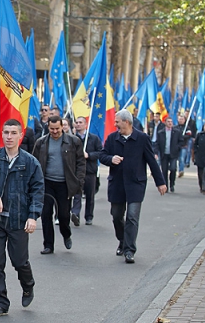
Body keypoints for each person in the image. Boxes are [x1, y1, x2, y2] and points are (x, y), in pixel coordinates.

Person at [0, 119, 44, 316]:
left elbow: (38, 191)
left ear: (20, 135)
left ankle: (27, 284)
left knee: (19, 261)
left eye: (13, 133)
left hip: (18, 220)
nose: (9, 137)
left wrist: (32, 216)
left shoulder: (30, 162)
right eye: (6, 132)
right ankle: (1, 302)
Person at [98, 109, 166, 264]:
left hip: (136, 184)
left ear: (126, 122)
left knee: (132, 217)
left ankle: (129, 250)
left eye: (117, 122)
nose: (115, 125)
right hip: (117, 184)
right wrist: (110, 159)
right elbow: (102, 155)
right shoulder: (112, 138)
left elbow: (151, 161)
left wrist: (160, 182)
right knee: (116, 216)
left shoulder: (142, 138)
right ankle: (122, 240)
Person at [32, 115, 85, 253]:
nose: (55, 131)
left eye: (57, 128)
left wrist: (79, 181)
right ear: (48, 127)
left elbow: (80, 162)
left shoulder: (73, 141)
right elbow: (34, 163)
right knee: (46, 214)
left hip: (65, 184)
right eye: (51, 129)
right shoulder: (41, 143)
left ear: (62, 126)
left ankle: (66, 234)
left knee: (63, 215)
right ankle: (48, 245)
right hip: (47, 183)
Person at [71, 116, 103, 226]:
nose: (78, 124)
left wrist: (89, 155)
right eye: (76, 122)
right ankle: (75, 214)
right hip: (77, 171)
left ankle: (89, 216)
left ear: (85, 124)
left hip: (90, 171)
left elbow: (100, 152)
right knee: (77, 194)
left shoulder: (93, 138)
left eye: (80, 122)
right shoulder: (72, 139)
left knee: (90, 195)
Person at [155, 117, 183, 193]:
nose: (170, 123)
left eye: (171, 122)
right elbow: (157, 143)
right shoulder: (161, 132)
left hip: (173, 154)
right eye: (168, 122)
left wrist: (177, 148)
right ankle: (165, 186)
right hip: (164, 154)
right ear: (165, 123)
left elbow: (181, 141)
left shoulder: (177, 132)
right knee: (164, 170)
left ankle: (172, 184)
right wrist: (156, 153)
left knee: (173, 169)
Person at [177, 114, 195, 178]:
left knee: (182, 158)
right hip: (176, 146)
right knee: (177, 159)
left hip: (183, 145)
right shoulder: (175, 127)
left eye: (182, 119)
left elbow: (189, 135)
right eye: (180, 119)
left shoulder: (187, 128)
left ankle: (181, 170)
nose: (181, 120)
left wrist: (182, 137)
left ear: (184, 120)